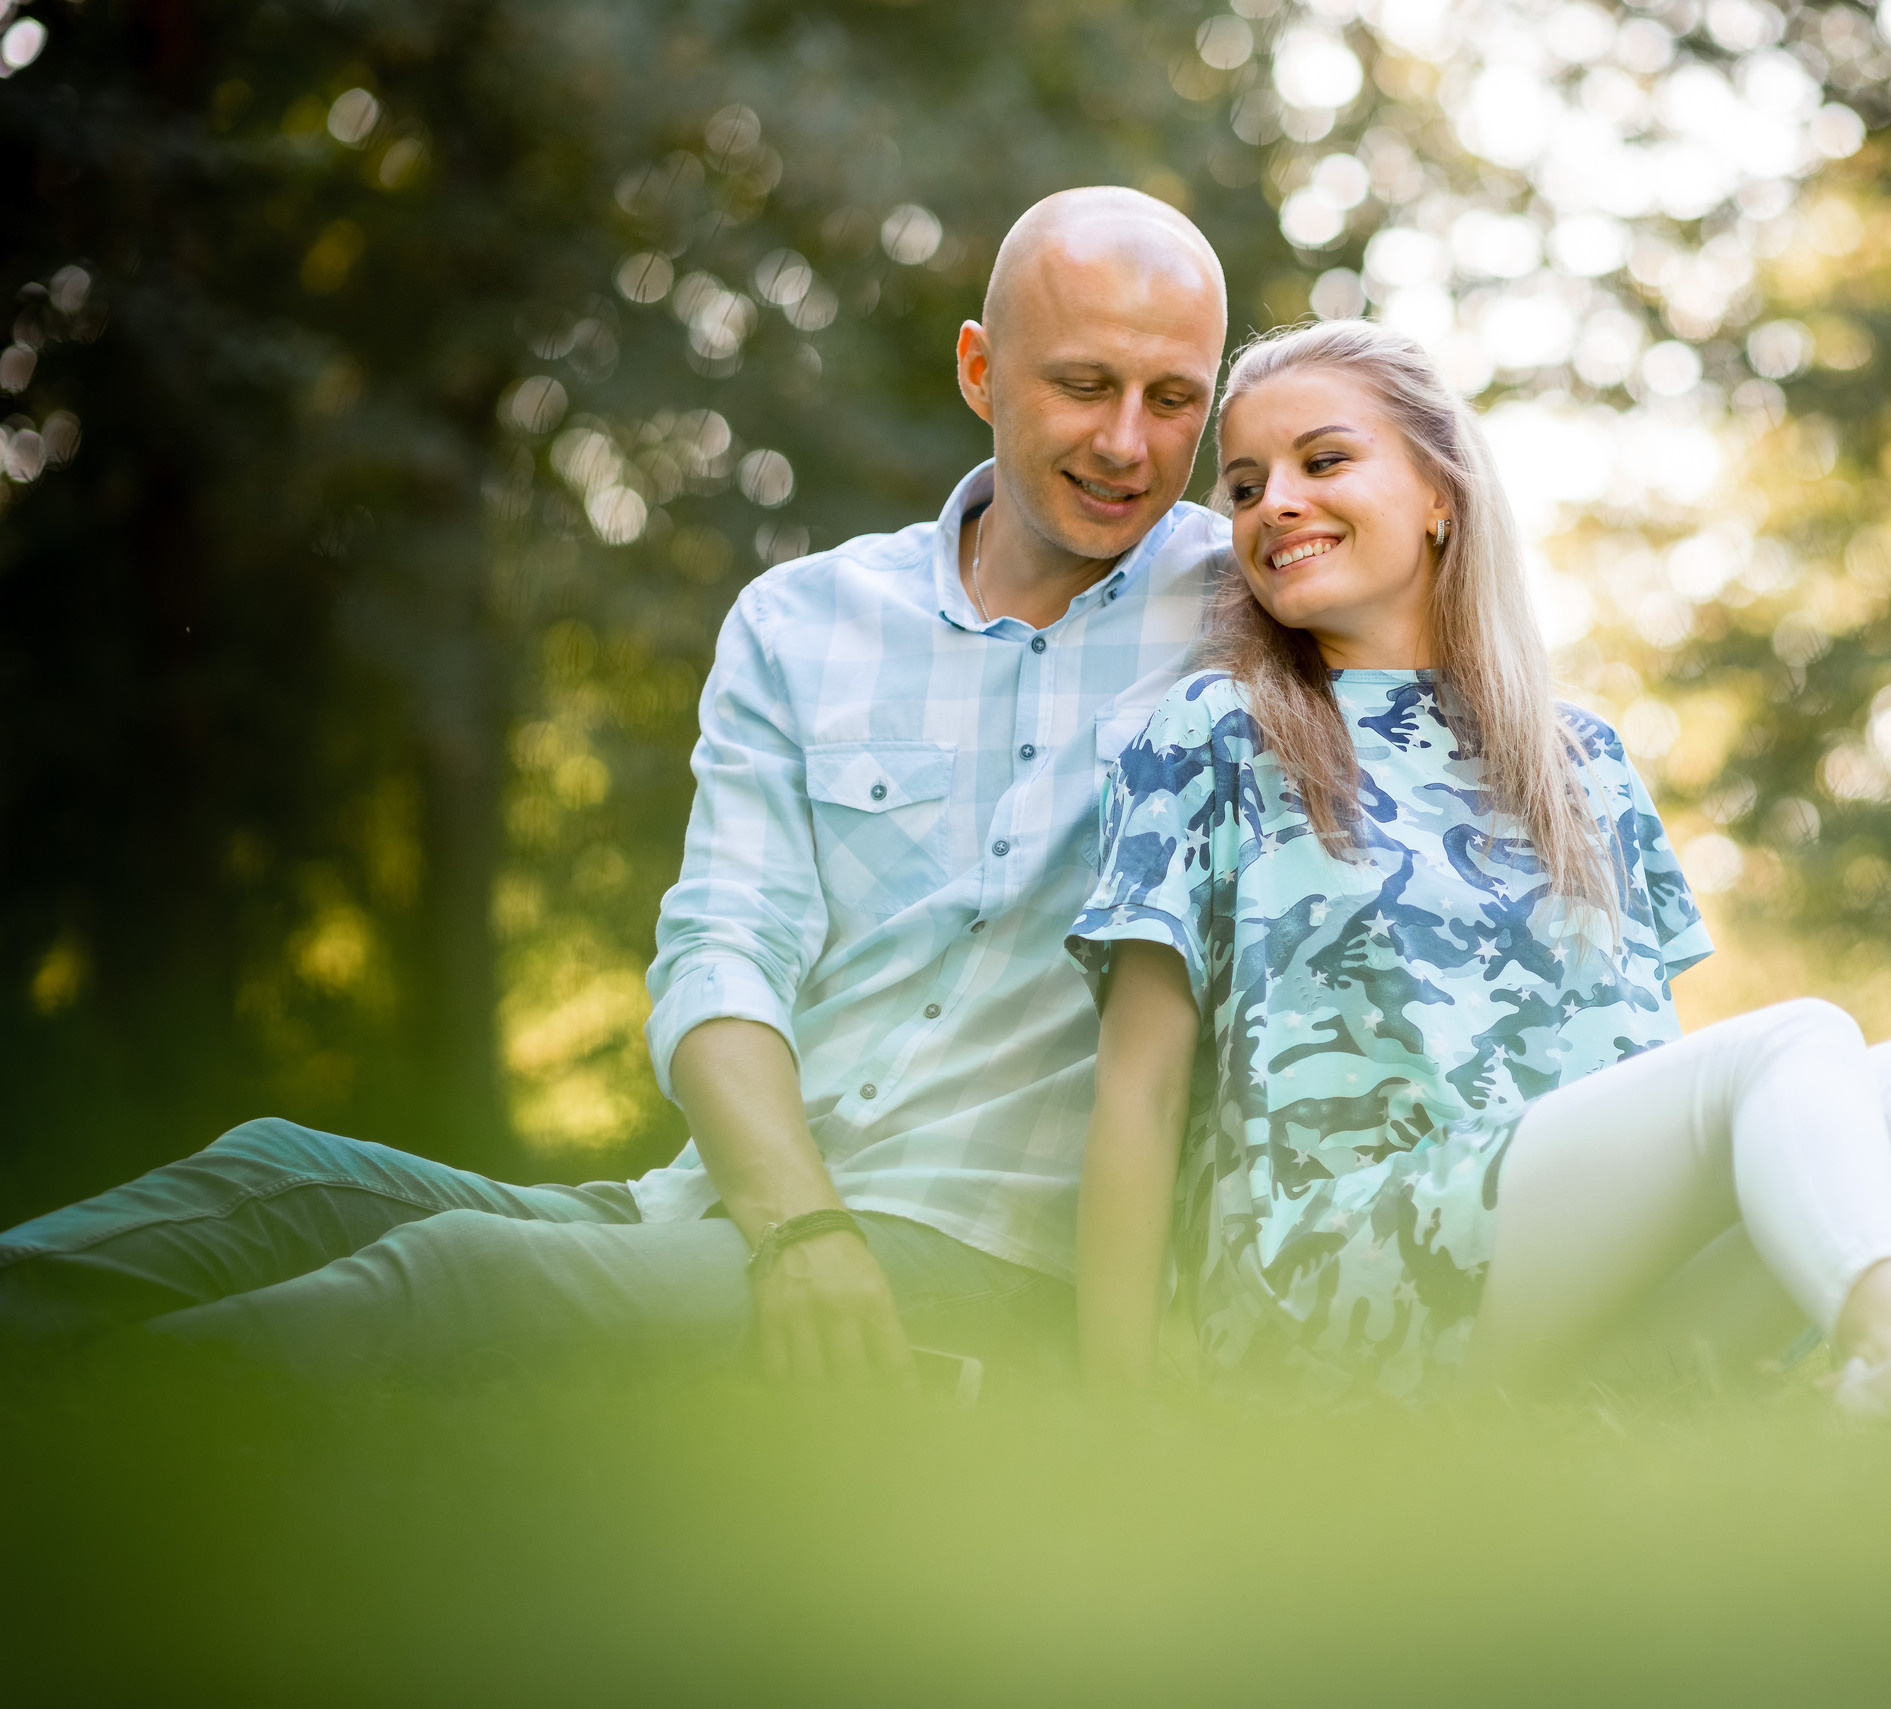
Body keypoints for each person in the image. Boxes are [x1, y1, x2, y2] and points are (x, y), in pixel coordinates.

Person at [0, 186, 1234, 1387]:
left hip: (977, 1253)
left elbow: (1412, 572)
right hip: (727, 1210)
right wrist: (799, 1224)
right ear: (978, 369)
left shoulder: (1253, 615)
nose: (1127, 442)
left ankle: (69, 1481)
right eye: (1082, 385)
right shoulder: (806, 620)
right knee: (276, 1178)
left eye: (1173, 399)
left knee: (457, 1282)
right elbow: (723, 949)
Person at [1069, 319, 1891, 1411]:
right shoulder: (1211, 735)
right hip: (1337, 1301)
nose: (1272, 502)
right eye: (1243, 485)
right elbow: (1138, 1089)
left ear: (1440, 495)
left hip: (1571, 1303)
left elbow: (1647, 1082)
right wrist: (1116, 1414)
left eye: (1321, 459)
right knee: (1792, 1037)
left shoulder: (1578, 760)